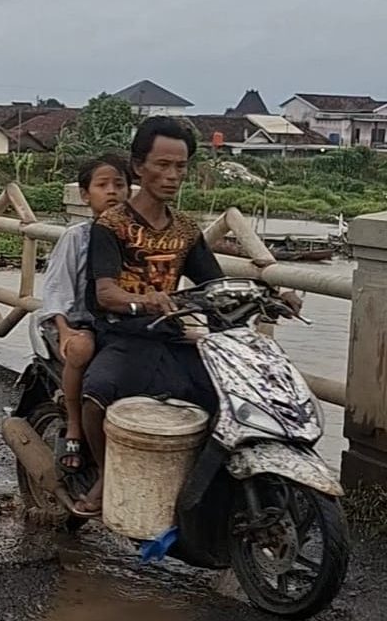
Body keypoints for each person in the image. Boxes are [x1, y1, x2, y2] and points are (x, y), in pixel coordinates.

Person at [75, 117, 300, 517]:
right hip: (124, 335)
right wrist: (145, 300)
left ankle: (204, 492)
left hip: (172, 335)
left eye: (180, 166)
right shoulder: (110, 225)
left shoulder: (185, 229)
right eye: (162, 165)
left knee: (226, 398)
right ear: (138, 166)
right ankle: (107, 474)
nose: (172, 175)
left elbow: (213, 283)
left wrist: (272, 294)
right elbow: (104, 292)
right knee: (95, 395)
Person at [37, 154, 131, 476]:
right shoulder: (76, 237)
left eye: (119, 184)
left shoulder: (135, 238)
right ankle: (76, 427)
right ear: (84, 194)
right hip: (76, 322)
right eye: (102, 185)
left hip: (121, 324)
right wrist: (64, 331)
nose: (112, 192)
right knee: (81, 349)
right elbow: (56, 290)